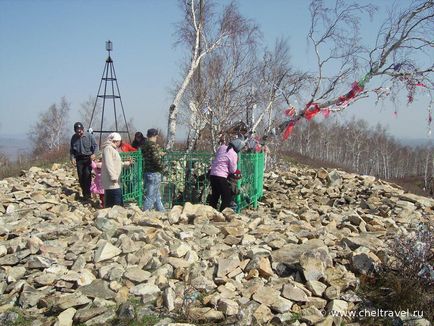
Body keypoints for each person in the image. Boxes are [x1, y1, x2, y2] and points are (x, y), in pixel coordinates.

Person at [209, 137, 245, 211]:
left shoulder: (222, 147)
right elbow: (233, 170)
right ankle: (221, 214)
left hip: (212, 174)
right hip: (221, 176)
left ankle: (211, 212)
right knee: (227, 197)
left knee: (215, 195)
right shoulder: (233, 154)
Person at [101, 132, 131, 208]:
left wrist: (125, 163)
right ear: (116, 141)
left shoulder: (111, 149)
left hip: (114, 181)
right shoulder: (108, 149)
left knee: (116, 201)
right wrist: (113, 177)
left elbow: (115, 162)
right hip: (111, 181)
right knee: (115, 202)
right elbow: (109, 164)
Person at [70, 122, 98, 201]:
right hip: (79, 159)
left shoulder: (89, 136)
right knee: (81, 177)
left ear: (83, 129)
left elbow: (96, 146)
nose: (79, 132)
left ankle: (88, 194)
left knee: (87, 175)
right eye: (77, 131)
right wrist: (72, 158)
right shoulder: (73, 138)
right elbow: (72, 150)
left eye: (80, 130)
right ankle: (84, 192)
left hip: (88, 158)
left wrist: (94, 154)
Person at [140, 128, 165, 211]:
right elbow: (156, 159)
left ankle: (161, 211)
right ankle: (144, 213)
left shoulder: (144, 145)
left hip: (147, 171)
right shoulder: (153, 145)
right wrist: (163, 169)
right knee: (151, 196)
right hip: (154, 172)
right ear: (156, 136)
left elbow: (148, 156)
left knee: (156, 194)